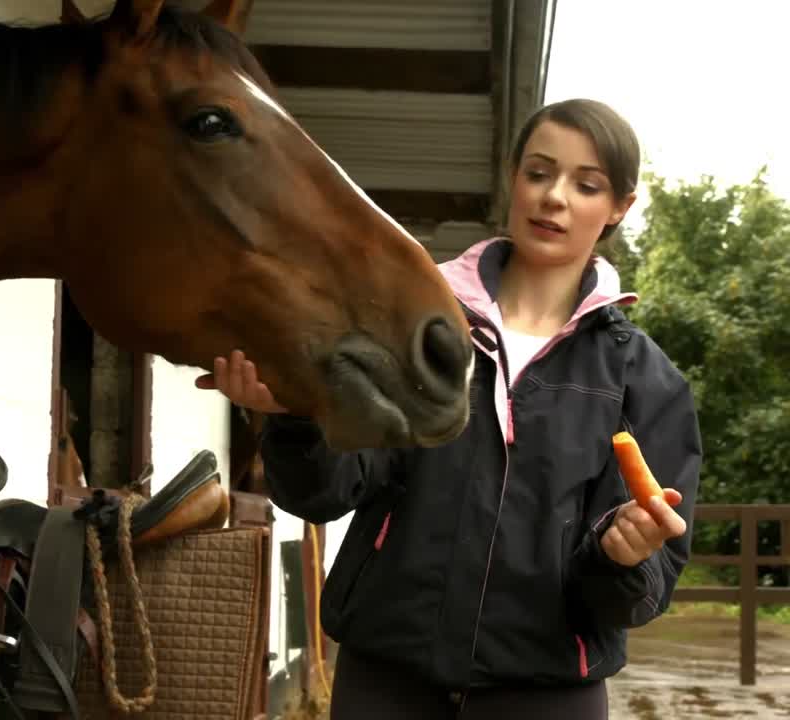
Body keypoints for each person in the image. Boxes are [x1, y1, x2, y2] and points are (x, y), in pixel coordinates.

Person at [196, 98, 702, 719]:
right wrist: (295, 415)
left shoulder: (645, 381)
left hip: (547, 695)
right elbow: (327, 493)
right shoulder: (417, 325)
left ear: (619, 206)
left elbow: (640, 593)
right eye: (539, 173)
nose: (554, 198)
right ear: (512, 178)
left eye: (586, 184)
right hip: (387, 680)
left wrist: (622, 557)